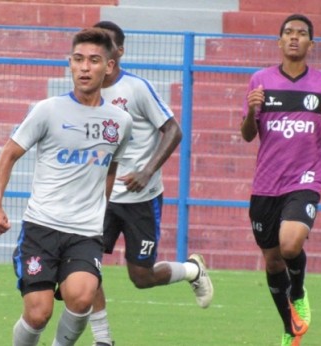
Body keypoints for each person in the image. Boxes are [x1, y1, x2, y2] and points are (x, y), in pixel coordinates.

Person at [0, 27, 133, 346]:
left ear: (108, 66)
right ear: (69, 63)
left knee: (81, 298)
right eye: (78, 59)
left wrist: (100, 209)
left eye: (94, 60)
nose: (85, 67)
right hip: (42, 228)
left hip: (85, 232)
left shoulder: (120, 122)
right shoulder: (48, 110)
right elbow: (9, 154)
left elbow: (111, 166)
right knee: (38, 313)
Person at [88, 21, 214, 346]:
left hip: (140, 198)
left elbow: (173, 131)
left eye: (105, 46)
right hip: (97, 198)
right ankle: (103, 340)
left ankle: (192, 271)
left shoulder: (136, 89)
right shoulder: (84, 90)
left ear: (118, 53)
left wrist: (146, 171)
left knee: (140, 277)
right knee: (83, 265)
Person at [241, 14, 321, 346]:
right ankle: (290, 327)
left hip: (306, 178)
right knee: (273, 259)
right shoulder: (259, 81)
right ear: (279, 41)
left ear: (310, 44)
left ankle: (299, 290)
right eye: (288, 32)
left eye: (301, 34)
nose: (294, 38)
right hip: (266, 184)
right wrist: (250, 111)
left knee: (290, 244)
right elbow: (247, 135)